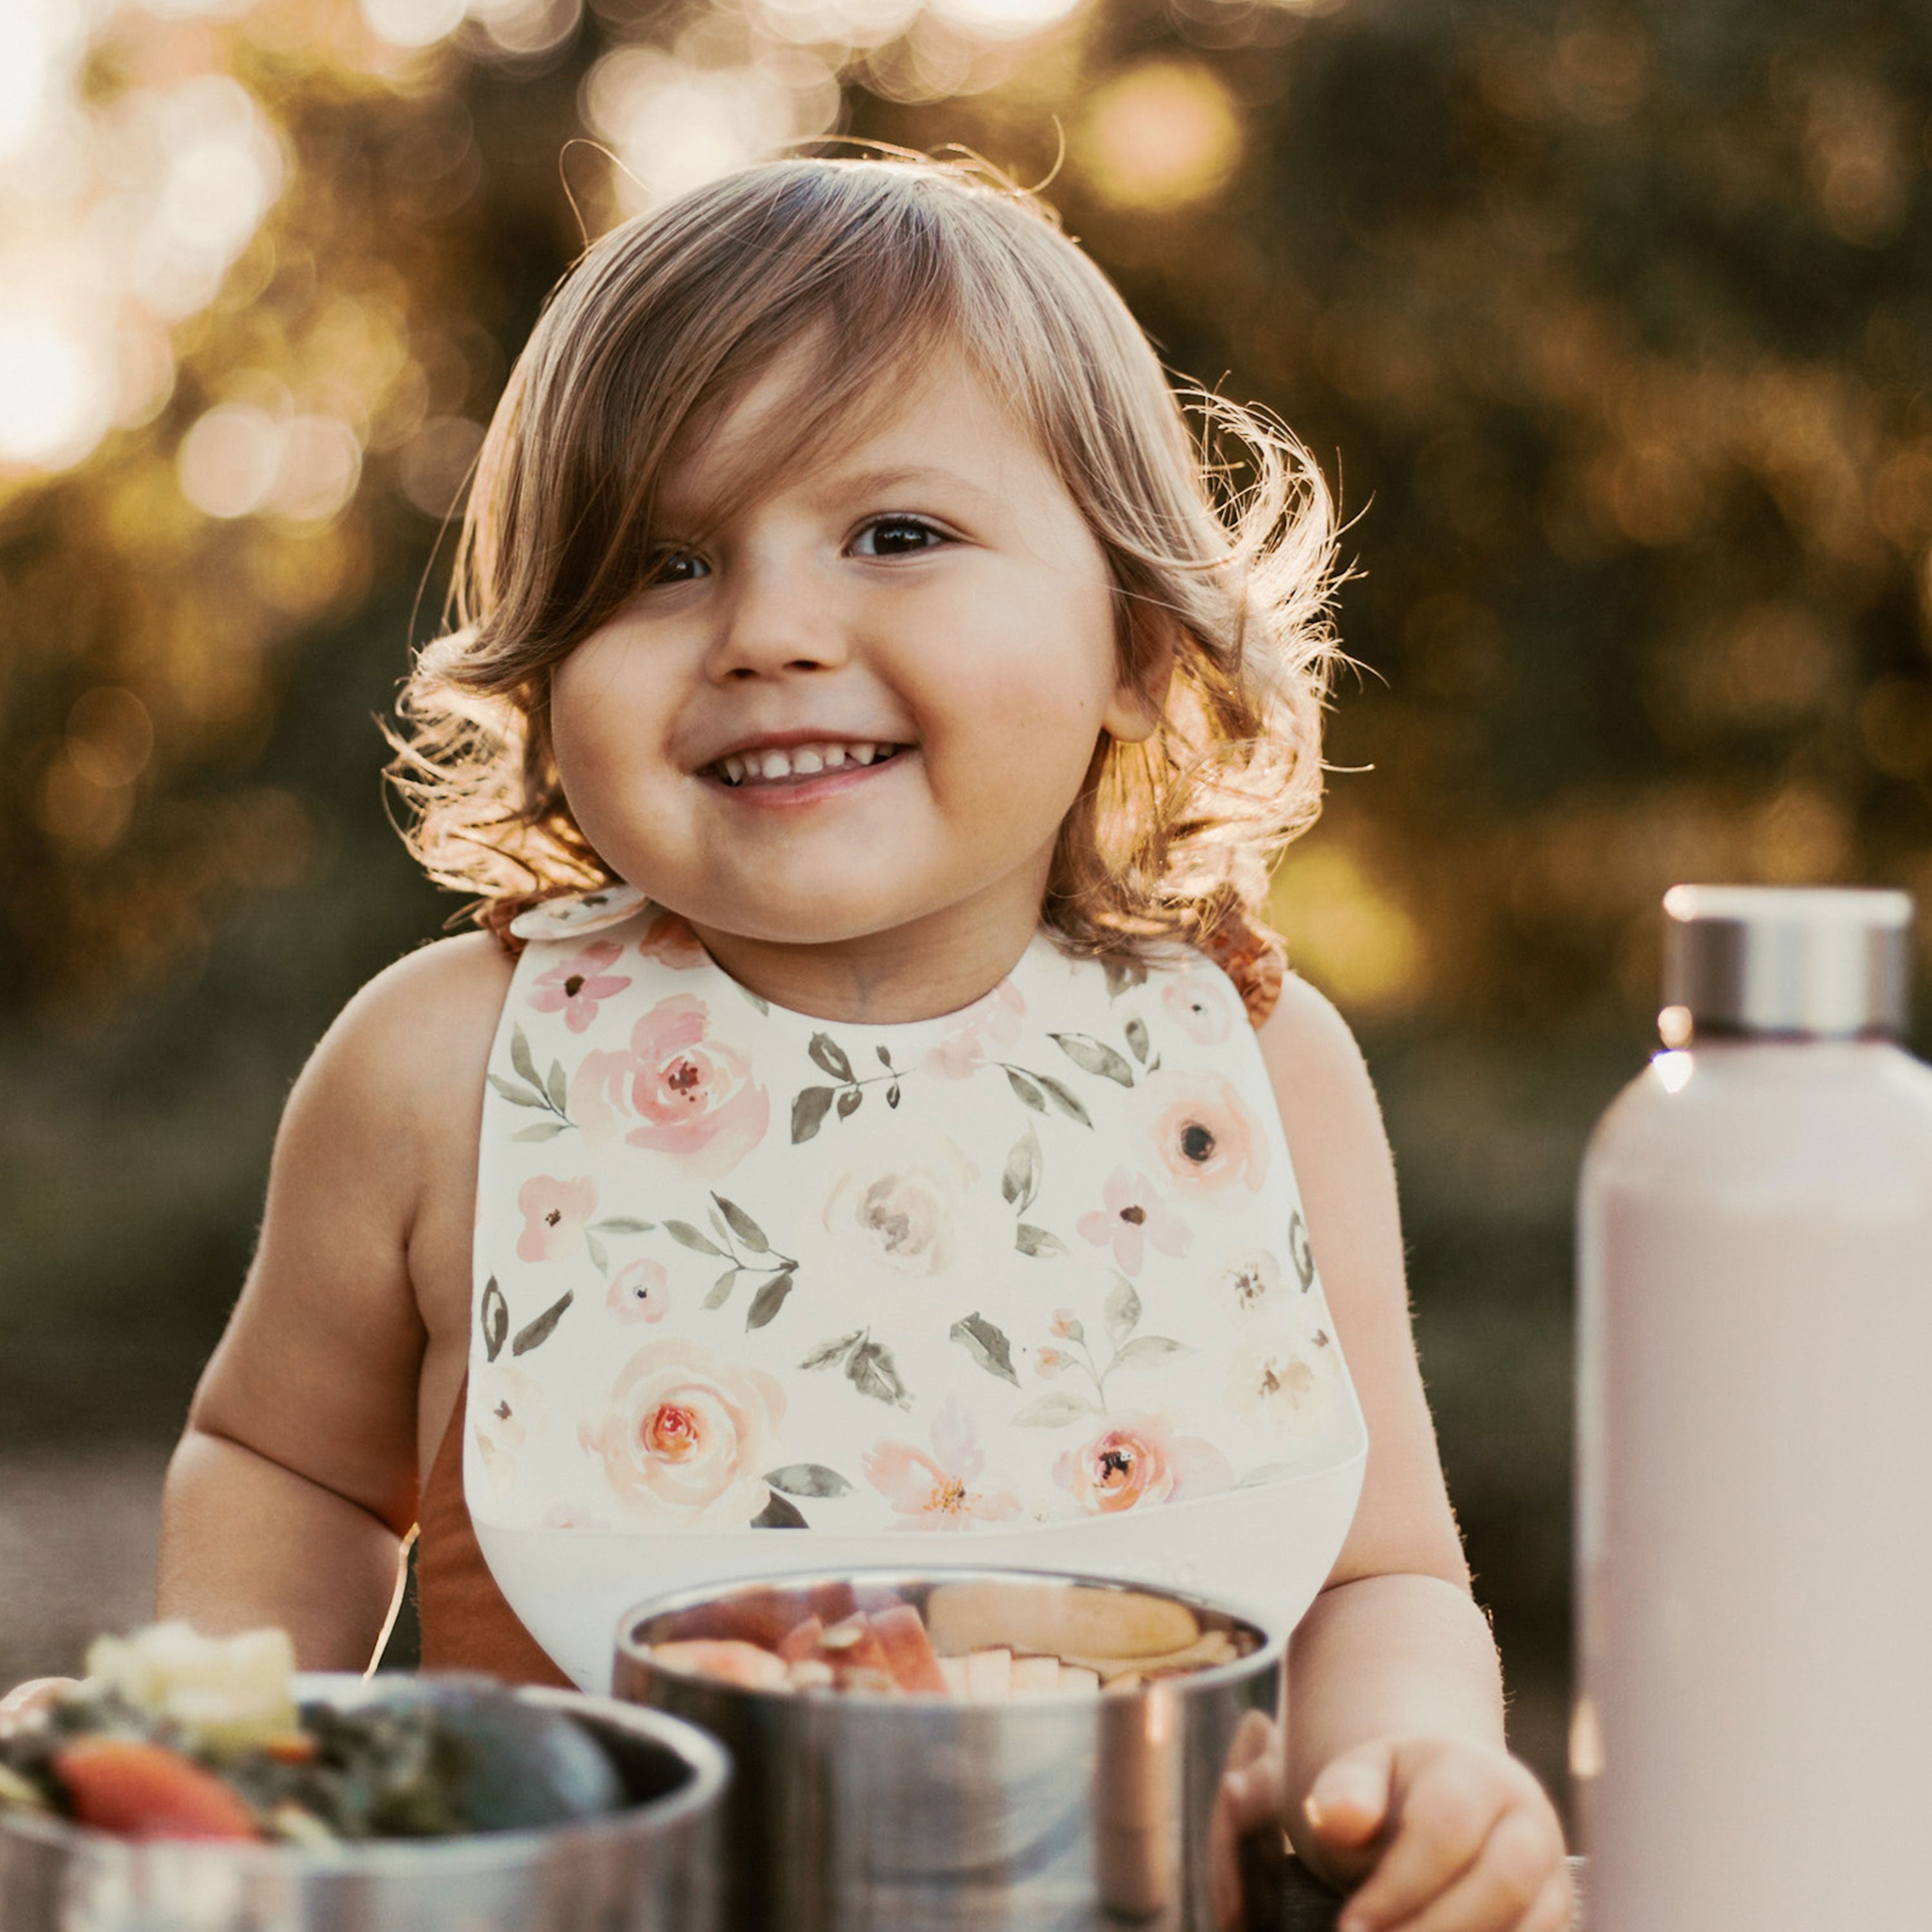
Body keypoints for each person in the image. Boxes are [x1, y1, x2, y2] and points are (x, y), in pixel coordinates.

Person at [19, 156, 1568, 1929]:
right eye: (663, 564)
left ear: (1137, 636)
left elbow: (1380, 1575)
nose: (766, 634)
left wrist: (1422, 1773)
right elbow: (286, 1465)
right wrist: (213, 1749)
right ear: (541, 678)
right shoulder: (440, 1069)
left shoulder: (1257, 1075)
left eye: (896, 535)